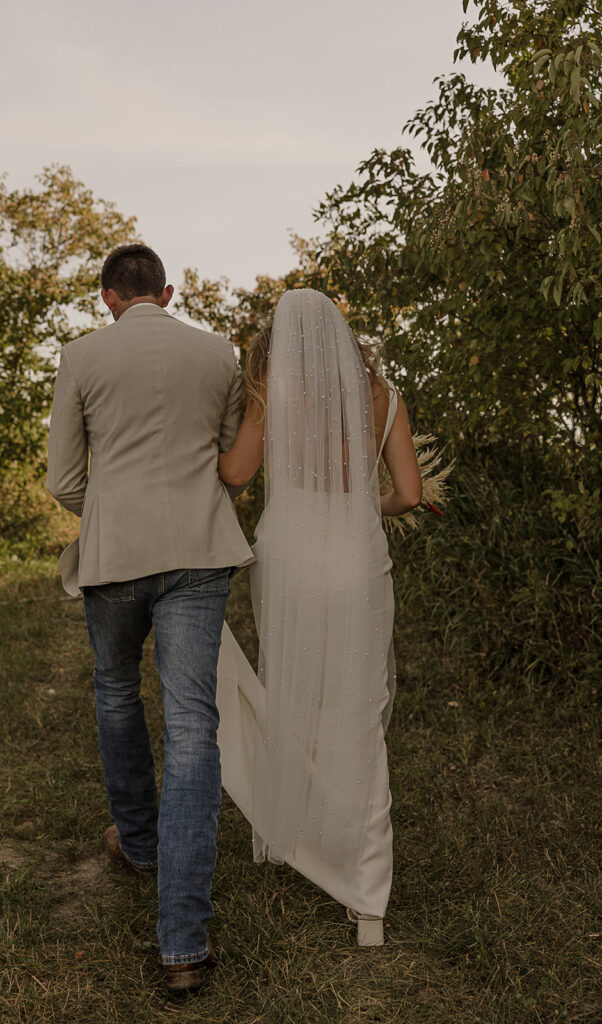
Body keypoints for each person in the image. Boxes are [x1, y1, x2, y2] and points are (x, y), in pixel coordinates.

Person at [46, 244, 254, 993]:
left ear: (107, 297)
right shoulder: (219, 355)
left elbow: (64, 478)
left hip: (114, 560)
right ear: (167, 292)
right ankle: (184, 949)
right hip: (199, 554)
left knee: (114, 691)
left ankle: (138, 843)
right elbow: (231, 459)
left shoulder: (80, 357)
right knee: (194, 725)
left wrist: (108, 516)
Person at [215, 288, 422, 945]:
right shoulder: (384, 395)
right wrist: (364, 506)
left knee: (297, 692)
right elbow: (410, 495)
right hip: (358, 563)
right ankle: (368, 907)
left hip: (291, 565)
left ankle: (299, 838)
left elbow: (237, 472)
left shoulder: (269, 390)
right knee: (359, 711)